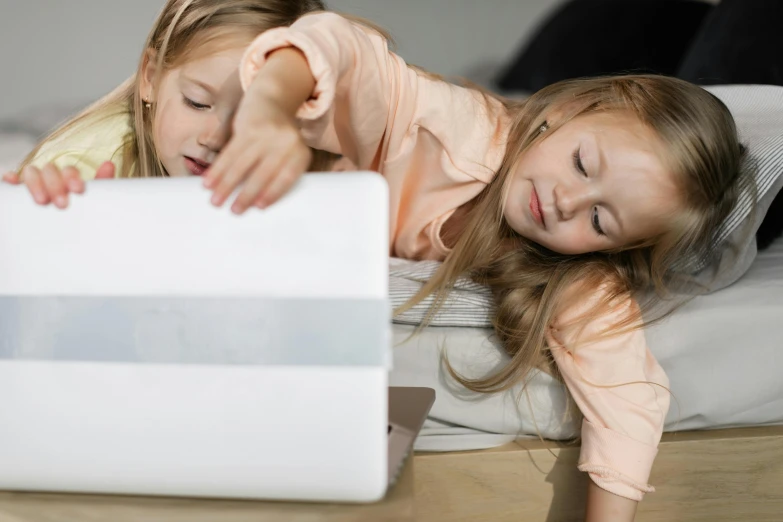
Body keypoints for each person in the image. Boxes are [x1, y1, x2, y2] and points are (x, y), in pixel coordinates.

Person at [5, 8, 746, 522]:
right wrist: (263, 110)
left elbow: (628, 399)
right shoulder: (449, 125)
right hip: (284, 142)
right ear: (559, 115)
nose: (564, 202)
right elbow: (344, 46)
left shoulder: (579, 277)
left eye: (599, 218)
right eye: (582, 162)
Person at [2, 0, 333, 206]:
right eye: (197, 102)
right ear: (150, 78)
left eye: (250, 118)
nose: (215, 138)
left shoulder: (306, 160)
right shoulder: (85, 168)